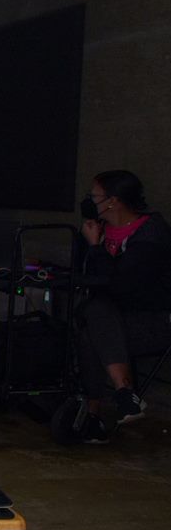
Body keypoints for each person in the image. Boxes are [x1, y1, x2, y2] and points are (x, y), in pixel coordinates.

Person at [73, 170, 171, 443]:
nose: (90, 201)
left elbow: (124, 286)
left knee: (93, 321)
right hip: (111, 321)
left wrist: (96, 248)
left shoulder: (151, 235)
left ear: (113, 201)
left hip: (153, 321)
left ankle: (94, 414)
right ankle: (123, 394)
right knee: (93, 319)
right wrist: (92, 245)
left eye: (95, 197)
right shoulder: (99, 229)